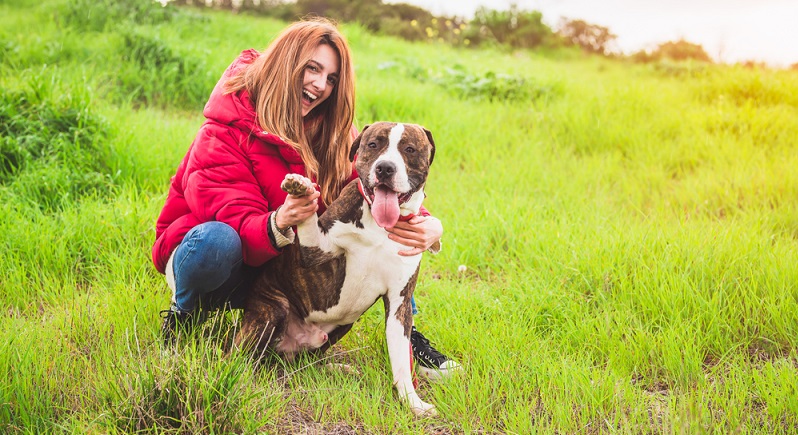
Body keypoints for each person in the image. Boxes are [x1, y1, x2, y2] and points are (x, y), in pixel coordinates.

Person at [151, 18, 459, 377]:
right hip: (222, 262)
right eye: (312, 68)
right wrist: (280, 222)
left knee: (380, 240)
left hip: (282, 268)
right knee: (216, 243)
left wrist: (427, 225)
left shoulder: (330, 129)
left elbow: (372, 189)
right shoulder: (221, 131)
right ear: (284, 60)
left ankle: (409, 335)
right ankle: (183, 318)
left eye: (330, 78)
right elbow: (230, 218)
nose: (320, 85)